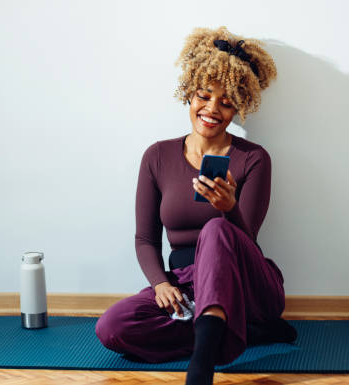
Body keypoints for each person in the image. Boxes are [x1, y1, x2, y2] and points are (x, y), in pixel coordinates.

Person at [95, 26, 296, 385]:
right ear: (189, 93)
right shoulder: (157, 156)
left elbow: (246, 242)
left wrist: (229, 208)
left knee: (216, 228)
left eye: (226, 101)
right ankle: (238, 331)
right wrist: (160, 284)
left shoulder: (253, 159)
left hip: (248, 283)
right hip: (188, 284)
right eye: (204, 96)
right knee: (113, 327)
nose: (212, 109)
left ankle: (201, 366)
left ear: (240, 105)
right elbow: (145, 239)